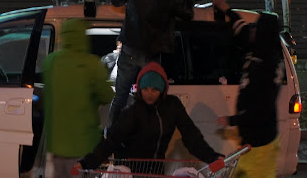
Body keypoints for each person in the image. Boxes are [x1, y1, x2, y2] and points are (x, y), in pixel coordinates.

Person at [35, 19, 114, 178]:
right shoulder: (91, 64)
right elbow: (106, 95)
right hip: (83, 145)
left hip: (58, 143)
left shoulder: (51, 62)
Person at [213, 0, 284, 178]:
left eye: (256, 28)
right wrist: (227, 11)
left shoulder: (262, 68)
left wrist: (232, 120)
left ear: (262, 34)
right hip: (267, 137)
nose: (251, 31)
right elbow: (243, 31)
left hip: (257, 140)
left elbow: (258, 110)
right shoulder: (268, 54)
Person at [79, 62, 223, 171]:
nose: (149, 94)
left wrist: (212, 158)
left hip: (155, 172)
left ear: (162, 89)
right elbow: (112, 140)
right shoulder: (134, 110)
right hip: (131, 172)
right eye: (145, 89)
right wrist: (86, 163)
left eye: (154, 89)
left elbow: (191, 135)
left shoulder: (172, 106)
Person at [107, 0, 195, 128]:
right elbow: (188, 14)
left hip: (130, 49)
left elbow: (115, 0)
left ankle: (111, 132)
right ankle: (148, 132)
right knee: (151, 98)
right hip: (152, 53)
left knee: (120, 97)